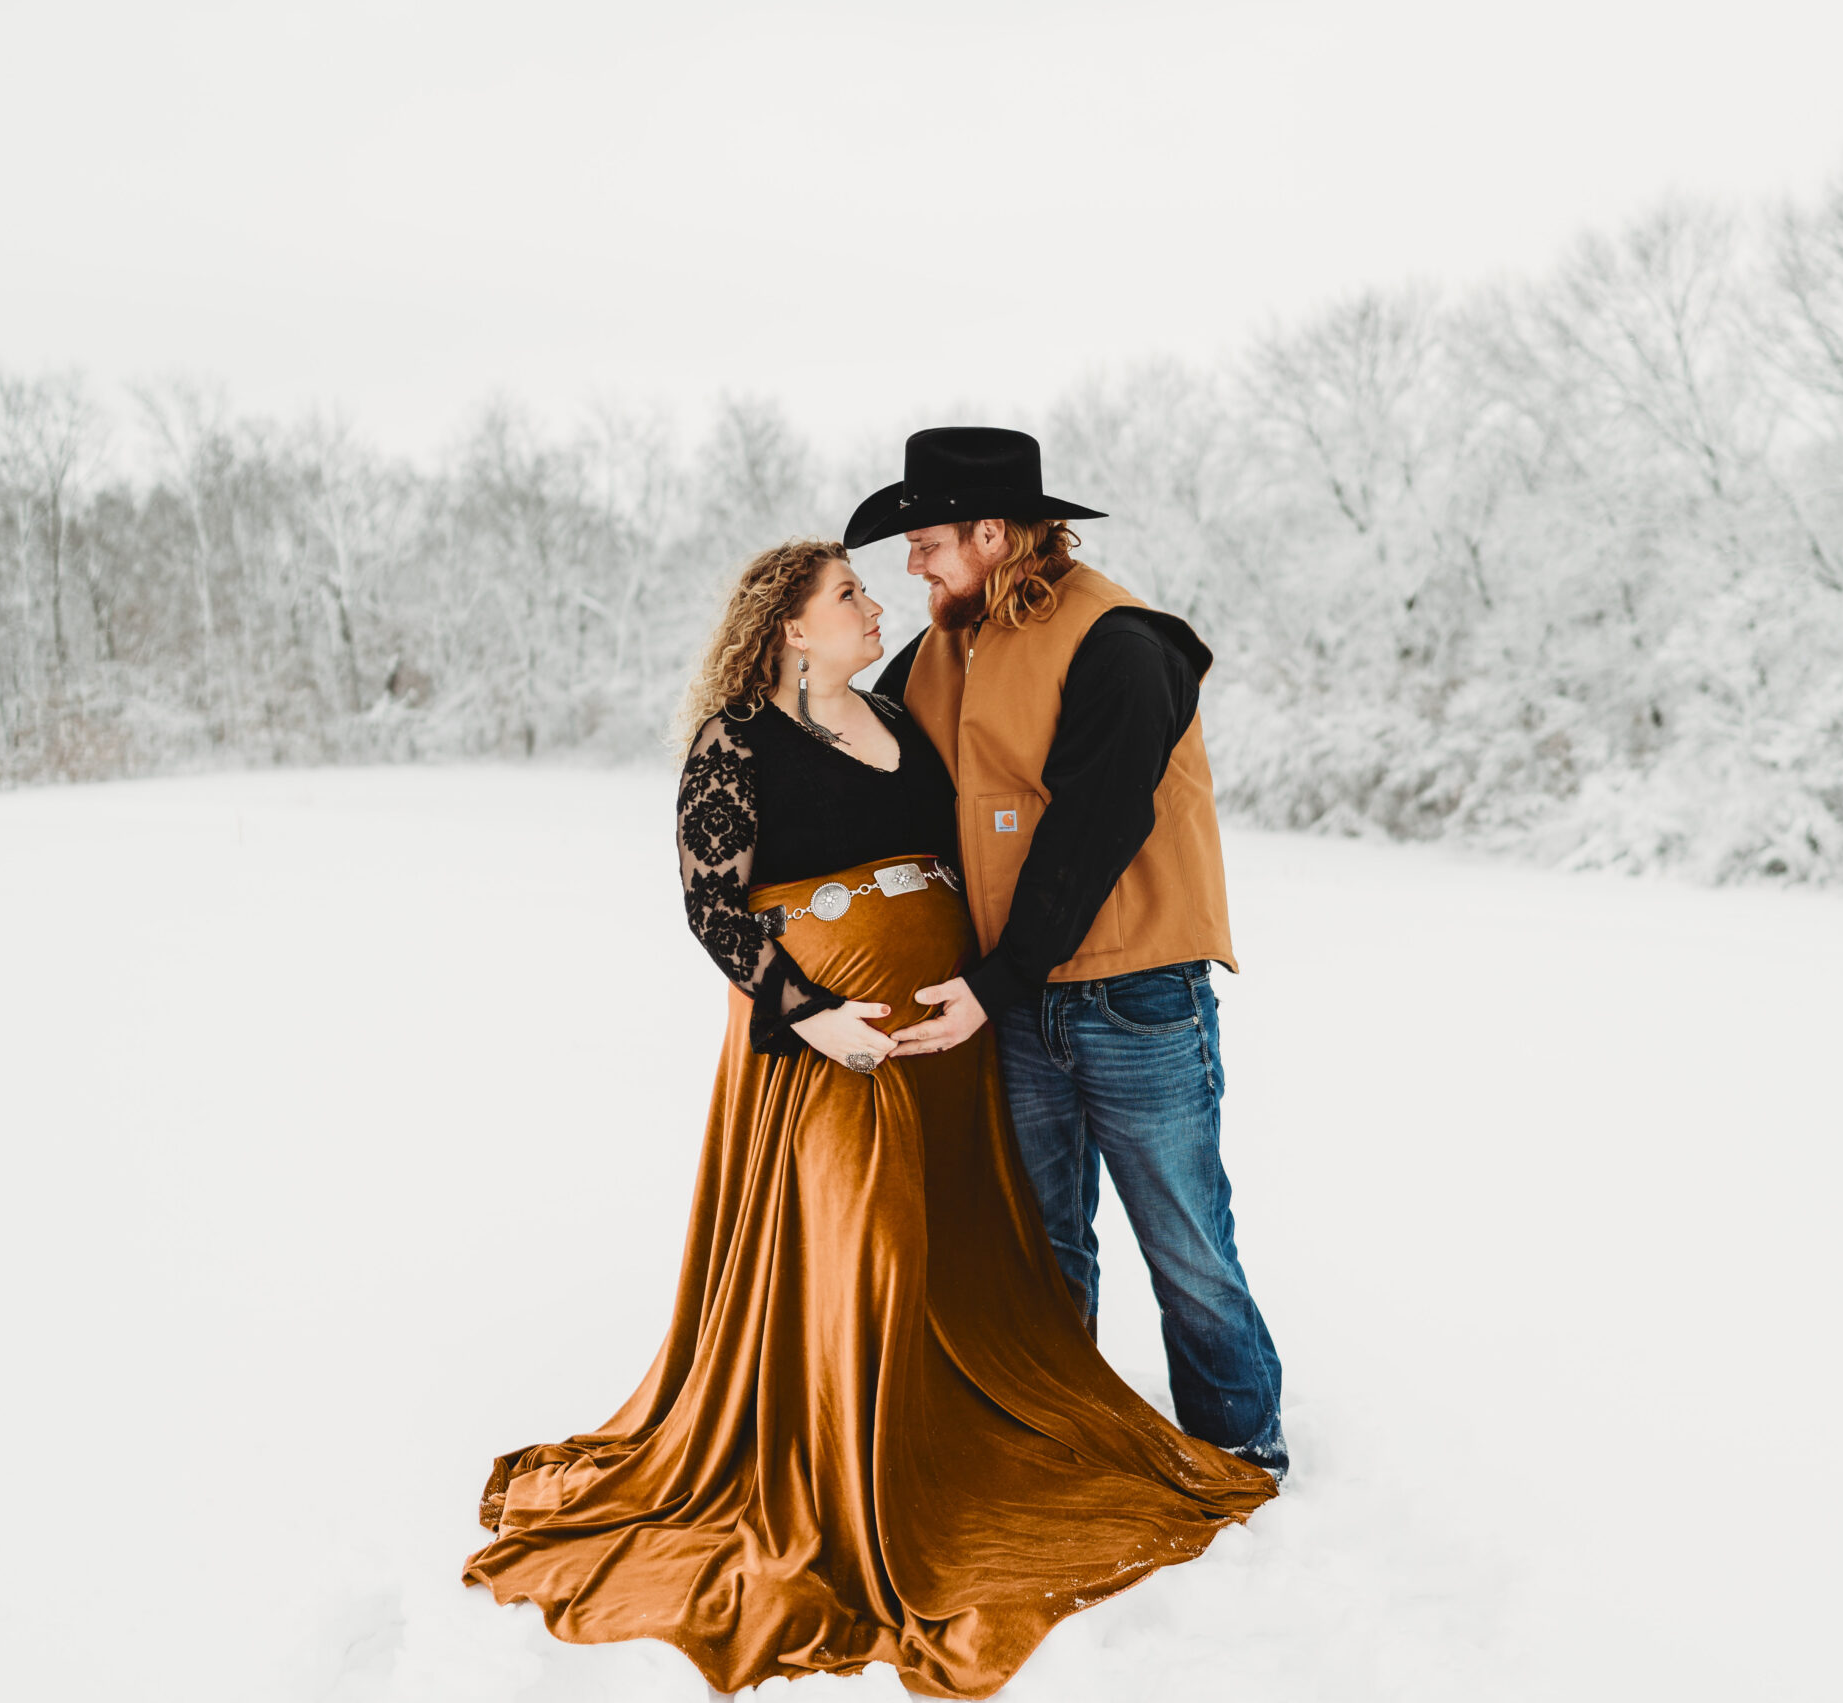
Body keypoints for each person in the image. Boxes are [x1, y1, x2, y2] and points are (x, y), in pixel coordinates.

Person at [462, 538, 1274, 1700]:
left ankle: (982, 1439)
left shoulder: (900, 716)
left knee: (962, 1248)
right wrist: (808, 1015)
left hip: (946, 1045)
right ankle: (854, 1475)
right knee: (866, 1249)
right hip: (827, 1053)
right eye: (848, 594)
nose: (874, 601)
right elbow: (710, 904)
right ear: (788, 624)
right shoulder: (735, 740)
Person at [860, 427, 1288, 1481]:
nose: (912, 565)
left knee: (1184, 1239)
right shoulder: (931, 654)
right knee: (1037, 1239)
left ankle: (1240, 1440)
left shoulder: (1122, 644)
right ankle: (1059, 1423)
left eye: (926, 541)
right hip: (1006, 999)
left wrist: (992, 985)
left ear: (993, 533)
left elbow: (1089, 832)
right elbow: (859, 772)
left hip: (1134, 994)